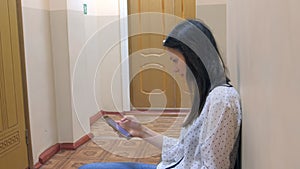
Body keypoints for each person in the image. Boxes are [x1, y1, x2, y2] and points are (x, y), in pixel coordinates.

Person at [79, 19, 242, 169]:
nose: (175, 69)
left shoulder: (221, 99)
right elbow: (182, 152)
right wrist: (141, 131)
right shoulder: (207, 95)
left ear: (194, 56)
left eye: (175, 61)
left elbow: (214, 166)